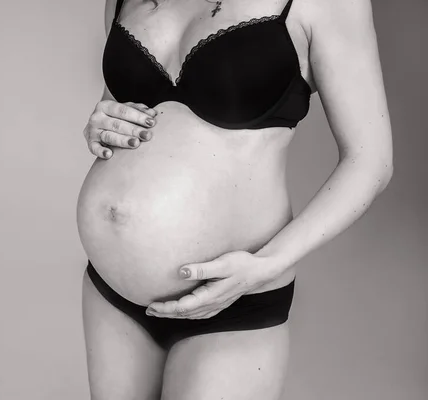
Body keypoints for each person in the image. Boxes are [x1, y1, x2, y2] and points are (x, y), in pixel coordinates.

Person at [76, 0, 393, 399]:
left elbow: (371, 163)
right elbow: (117, 109)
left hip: (235, 298)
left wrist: (269, 263)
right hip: (111, 293)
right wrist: (100, 125)